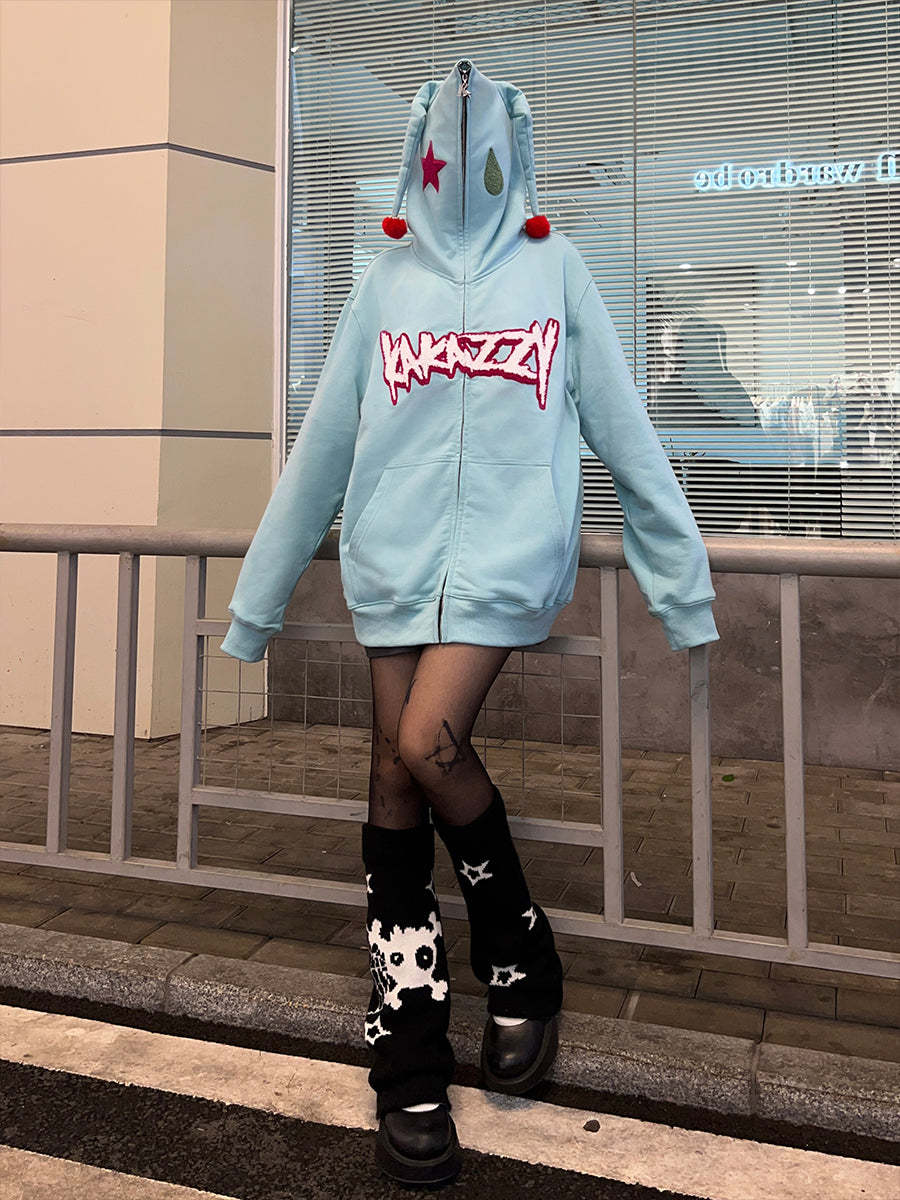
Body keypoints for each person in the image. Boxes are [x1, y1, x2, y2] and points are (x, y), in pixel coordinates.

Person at [221, 56, 719, 1188]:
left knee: (425, 745)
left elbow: (624, 430)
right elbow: (325, 445)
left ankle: (517, 946)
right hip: (393, 560)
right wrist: (257, 600)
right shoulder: (383, 280)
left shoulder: (556, 270)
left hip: (503, 561)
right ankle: (408, 1033)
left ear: (509, 153)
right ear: (417, 158)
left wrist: (680, 583)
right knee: (392, 776)